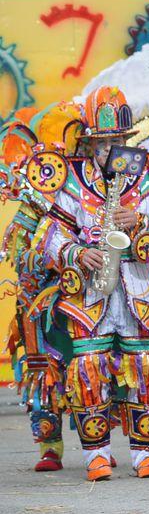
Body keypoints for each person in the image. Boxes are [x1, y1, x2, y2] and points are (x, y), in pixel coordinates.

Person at [33, 87, 149, 480]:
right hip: (89, 292)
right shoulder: (71, 181)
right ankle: (97, 453)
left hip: (141, 288)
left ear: (127, 140)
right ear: (90, 144)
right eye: (101, 143)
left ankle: (145, 454)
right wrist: (75, 253)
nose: (109, 150)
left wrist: (141, 222)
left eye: (116, 142)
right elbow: (47, 235)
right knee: (87, 367)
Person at [2, 106, 71, 471]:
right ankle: (49, 444)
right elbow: (20, 254)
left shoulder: (80, 198)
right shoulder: (32, 203)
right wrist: (50, 259)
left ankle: (97, 441)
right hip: (39, 302)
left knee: (88, 370)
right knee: (41, 371)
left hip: (82, 297)